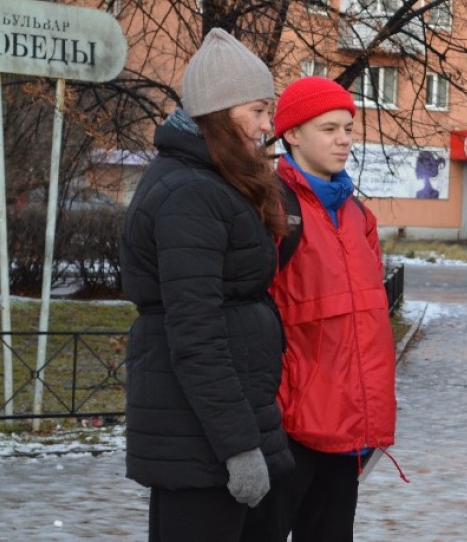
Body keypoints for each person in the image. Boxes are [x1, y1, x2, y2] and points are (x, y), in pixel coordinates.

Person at [119, 28, 294, 541]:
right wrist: (238, 449)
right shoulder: (190, 194)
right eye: (258, 110)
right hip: (201, 442)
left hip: (213, 430)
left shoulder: (210, 180)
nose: (268, 125)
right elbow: (196, 334)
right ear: (220, 111)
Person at [248, 76, 397, 542]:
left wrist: (372, 414)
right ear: (292, 134)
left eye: (348, 128)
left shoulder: (358, 216)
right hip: (288, 428)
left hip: (347, 428)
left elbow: (369, 325)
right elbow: (251, 317)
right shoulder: (270, 208)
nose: (343, 140)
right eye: (329, 129)